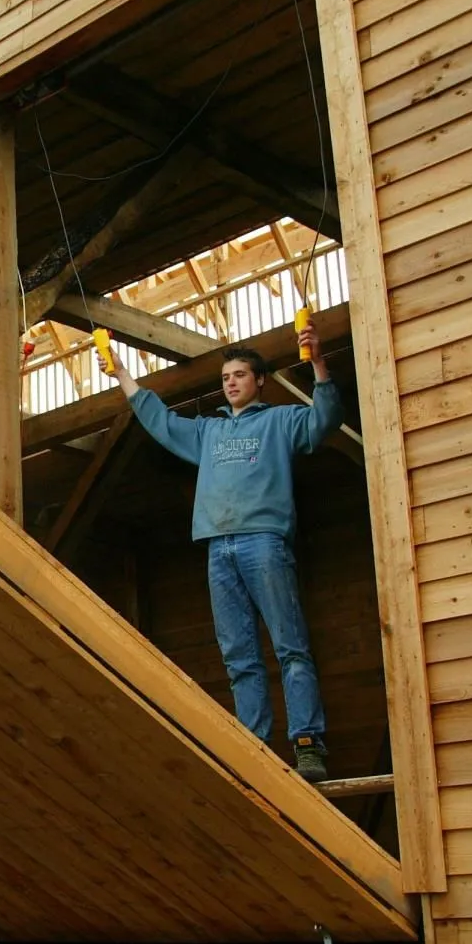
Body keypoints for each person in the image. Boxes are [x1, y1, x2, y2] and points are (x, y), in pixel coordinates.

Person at [104, 328, 341, 784]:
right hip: (218, 547)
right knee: (239, 657)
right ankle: (254, 747)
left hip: (264, 541)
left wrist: (317, 363)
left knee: (290, 647)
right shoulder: (208, 432)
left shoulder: (281, 422)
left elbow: (324, 420)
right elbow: (160, 421)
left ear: (260, 381)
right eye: (226, 377)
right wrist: (121, 373)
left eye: (239, 375)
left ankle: (307, 745)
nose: (230, 383)